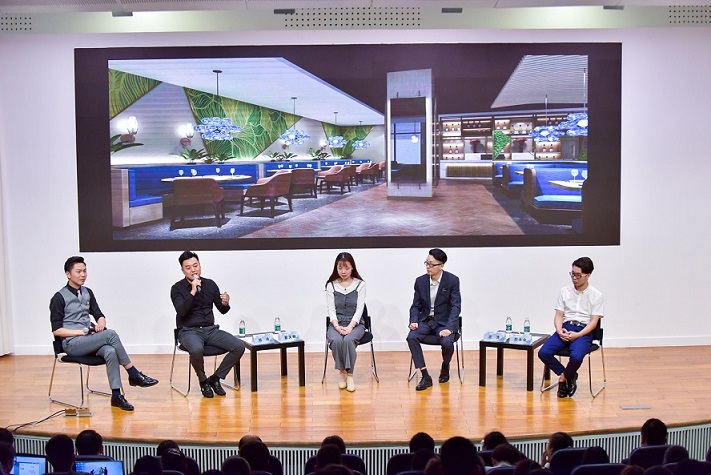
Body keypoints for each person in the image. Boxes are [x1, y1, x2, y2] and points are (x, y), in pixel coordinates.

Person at [49, 256, 158, 411]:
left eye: (85, 271)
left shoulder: (88, 292)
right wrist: (82, 332)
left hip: (89, 340)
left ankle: (116, 396)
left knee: (110, 351)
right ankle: (133, 373)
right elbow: (56, 330)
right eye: (78, 271)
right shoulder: (58, 297)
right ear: (68, 274)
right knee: (111, 334)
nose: (83, 275)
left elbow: (99, 314)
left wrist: (101, 324)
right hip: (72, 343)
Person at [170, 251, 245, 398]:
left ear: (200, 266)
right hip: (188, 331)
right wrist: (193, 291)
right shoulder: (177, 288)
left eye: (195, 266)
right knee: (196, 349)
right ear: (183, 270)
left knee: (238, 346)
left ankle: (215, 378)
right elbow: (181, 311)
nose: (193, 270)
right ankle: (203, 380)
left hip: (211, 330)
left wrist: (225, 303)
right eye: (188, 267)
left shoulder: (210, 284)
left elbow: (222, 310)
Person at [538, 257, 604, 398]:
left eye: (578, 275)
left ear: (588, 275)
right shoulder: (564, 291)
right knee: (543, 352)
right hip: (565, 328)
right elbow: (559, 315)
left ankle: (563, 379)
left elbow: (594, 322)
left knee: (576, 356)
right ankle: (570, 375)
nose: (574, 278)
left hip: (583, 331)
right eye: (572, 274)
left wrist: (578, 335)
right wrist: (559, 330)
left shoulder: (596, 295)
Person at [407, 248, 461, 391]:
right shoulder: (420, 281)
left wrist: (449, 328)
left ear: (441, 265)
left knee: (447, 342)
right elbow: (415, 306)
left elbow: (456, 307)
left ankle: (445, 365)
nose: (428, 267)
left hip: (444, 322)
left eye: (432, 264)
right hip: (426, 321)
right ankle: (425, 375)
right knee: (411, 337)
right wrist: (414, 320)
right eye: (426, 263)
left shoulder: (452, 280)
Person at [325, 252, 367, 392]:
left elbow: (360, 308)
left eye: (347, 268)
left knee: (348, 340)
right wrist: (336, 326)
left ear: (352, 267)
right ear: (336, 268)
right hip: (336, 323)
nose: (343, 271)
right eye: (340, 268)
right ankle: (342, 372)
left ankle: (350, 375)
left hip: (355, 324)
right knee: (336, 340)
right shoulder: (331, 285)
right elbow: (331, 309)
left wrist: (350, 326)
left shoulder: (360, 284)